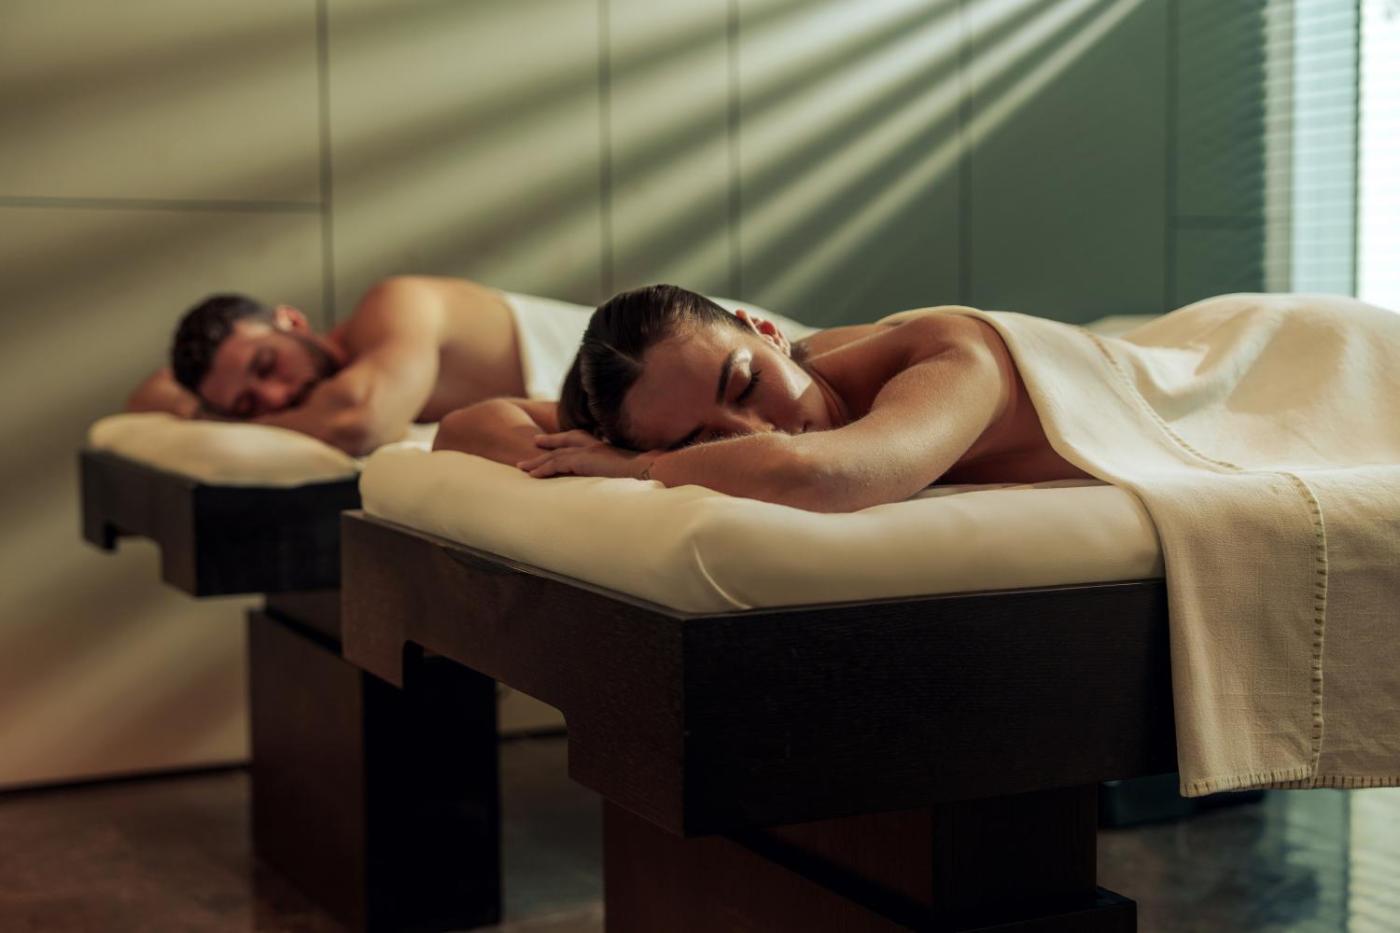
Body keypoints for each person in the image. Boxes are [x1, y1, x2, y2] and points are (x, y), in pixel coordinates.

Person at [432, 284, 1091, 512]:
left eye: (746, 385)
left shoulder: (948, 352)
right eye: (702, 440)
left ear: (769, 333)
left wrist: (641, 465)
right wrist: (596, 453)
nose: (755, 432)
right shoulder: (669, 414)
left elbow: (822, 475)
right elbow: (467, 427)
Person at [127, 277, 537, 455]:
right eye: (248, 404)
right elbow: (149, 394)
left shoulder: (396, 303)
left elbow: (360, 421)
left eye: (267, 365)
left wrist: (229, 420)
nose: (275, 396)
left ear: (292, 320)